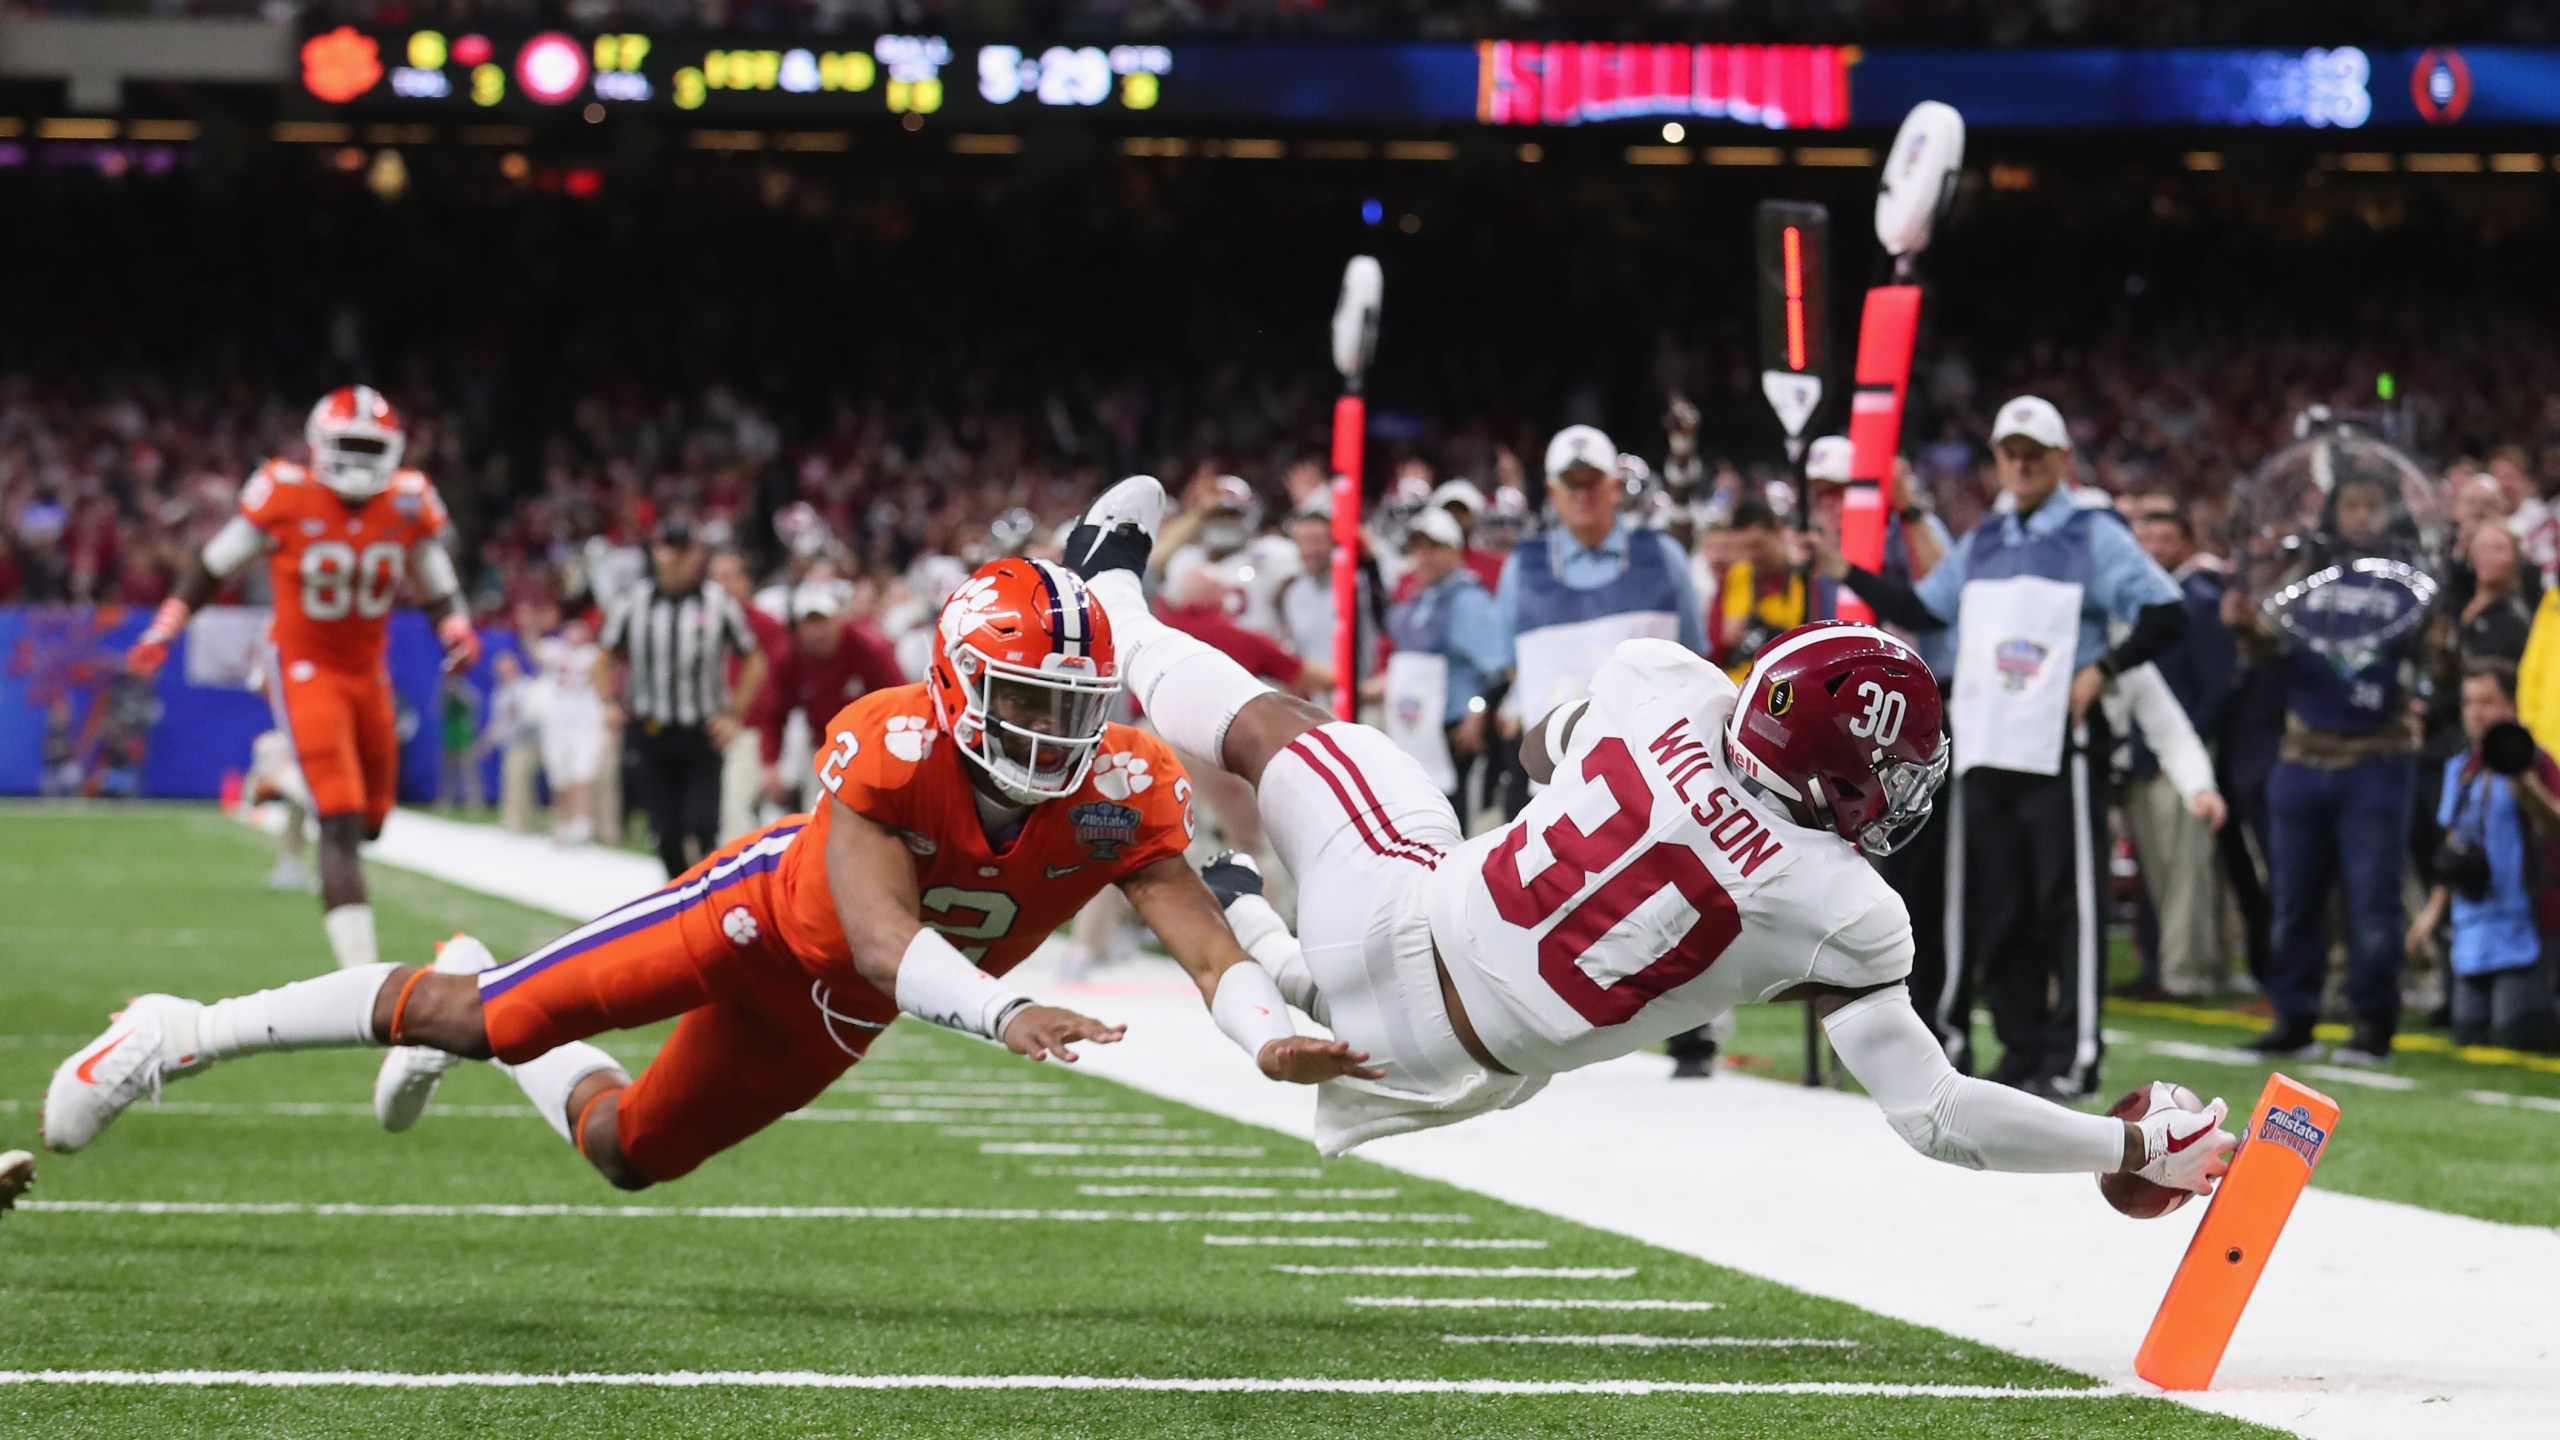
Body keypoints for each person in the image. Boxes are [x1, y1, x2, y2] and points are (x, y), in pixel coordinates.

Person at [1057, 477, 2234, 1199]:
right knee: (1341, 972)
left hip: (1405, 914)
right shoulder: (1845, 908)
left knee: (1279, 733)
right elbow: (1936, 1117)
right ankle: (1243, 906)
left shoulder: (1658, 680)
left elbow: (1534, 757)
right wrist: (2126, 1152)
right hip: (1455, 1077)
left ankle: (1110, 601)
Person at [42, 559, 1372, 1185]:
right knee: (497, 1017)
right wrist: (1007, 1009)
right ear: (961, 685)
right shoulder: (891, 738)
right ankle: (178, 1031)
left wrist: (1264, 1034)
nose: (1062, 734)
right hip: (750, 925)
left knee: (628, 1155)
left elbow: (1205, 942)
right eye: (1030, 701)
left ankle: (466, 976)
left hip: (835, 1023)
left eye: (1076, 706)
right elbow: (872, 929)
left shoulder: (1123, 779)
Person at [1811, 397, 2189, 1098]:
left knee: (2065, 907)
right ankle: (2020, 1051)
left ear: (2062, 459)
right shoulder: (1984, 538)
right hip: (1984, 745)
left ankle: (2072, 1055)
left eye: (2035, 450)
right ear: (1996, 458)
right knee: (2000, 907)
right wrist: (1847, 570)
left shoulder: (2091, 533)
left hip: (2060, 746)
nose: (2020, 461)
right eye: (2009, 449)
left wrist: (2102, 669)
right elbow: (1926, 608)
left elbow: (2168, 611)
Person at [124, 386, 479, 972]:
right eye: (350, 444)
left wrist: (456, 628)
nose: (361, 460)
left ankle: (284, 777)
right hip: (302, 665)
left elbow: (435, 577)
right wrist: (166, 626)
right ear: (320, 444)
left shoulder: (411, 501)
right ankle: (362, 981)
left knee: (372, 823)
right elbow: (215, 564)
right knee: (338, 821)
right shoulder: (285, 492)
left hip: (368, 671)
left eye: (371, 446)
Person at [598, 520, 769, 878]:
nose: (674, 558)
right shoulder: (634, 602)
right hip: (650, 731)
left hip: (701, 731)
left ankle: (703, 898)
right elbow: (602, 660)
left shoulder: (718, 602)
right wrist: (611, 702)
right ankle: (679, 898)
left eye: (683, 549)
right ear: (656, 552)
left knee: (704, 823)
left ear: (696, 555)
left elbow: (753, 658)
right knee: (665, 831)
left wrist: (734, 714)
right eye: (667, 548)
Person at [2408, 662, 2560, 1052]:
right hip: (2474, 923)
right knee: (2468, 1033)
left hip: (2528, 922)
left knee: (2516, 1035)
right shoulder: (2460, 769)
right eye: (2469, 702)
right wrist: (2431, 913)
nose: (2476, 712)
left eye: (2487, 702)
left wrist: (2526, 787)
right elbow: (2454, 843)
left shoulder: (2537, 761)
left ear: (2511, 706)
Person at [2123, 507, 2240, 998]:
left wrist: (2190, 746)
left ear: (2186, 544)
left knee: (2186, 873)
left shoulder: (2198, 601)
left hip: (2179, 755)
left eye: (2166, 538)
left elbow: (2218, 685)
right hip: (2146, 755)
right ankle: (2172, 966)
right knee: (2161, 872)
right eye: (2146, 537)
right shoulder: (2142, 601)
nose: (2154, 547)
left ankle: (2186, 973)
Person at [1373, 508, 1508, 815]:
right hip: (1419, 729)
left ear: (1453, 551)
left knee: (1458, 814)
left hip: (1456, 731)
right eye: (1417, 548)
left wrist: (1477, 713)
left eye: (1433, 548)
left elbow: (1498, 669)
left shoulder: (1469, 601)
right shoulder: (1419, 600)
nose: (1423, 556)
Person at [754, 582, 908, 812]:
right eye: (810, 624)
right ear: (799, 628)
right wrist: (770, 763)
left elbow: (899, 701)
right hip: (822, 745)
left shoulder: (869, 649)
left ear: (839, 619)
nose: (818, 632)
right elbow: (774, 713)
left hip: (873, 745)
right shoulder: (788, 658)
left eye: (823, 622)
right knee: (819, 814)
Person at [535, 619, 607, 846]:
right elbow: (534, 650)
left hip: (584, 720)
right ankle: (564, 823)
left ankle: (581, 825)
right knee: (560, 777)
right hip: (559, 721)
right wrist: (529, 624)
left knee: (582, 774)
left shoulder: (593, 655)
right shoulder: (555, 649)